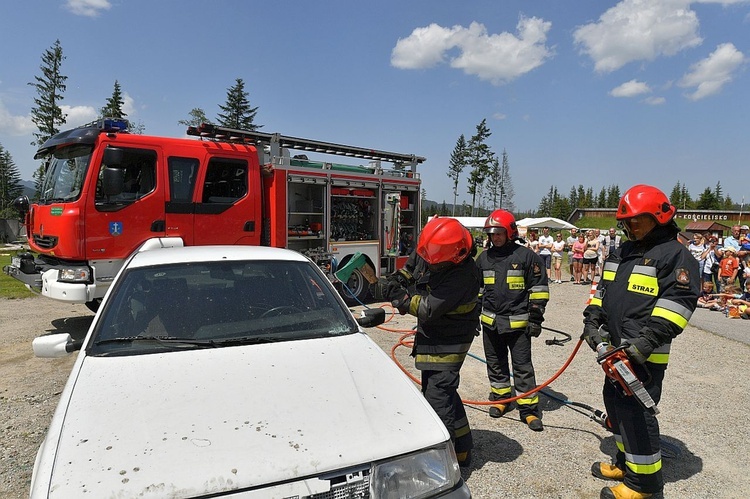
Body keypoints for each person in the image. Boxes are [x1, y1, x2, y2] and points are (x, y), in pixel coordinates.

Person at [582, 184, 700, 499]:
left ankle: (644, 485)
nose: (632, 226)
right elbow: (602, 292)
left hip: (643, 357)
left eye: (639, 220)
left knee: (635, 413)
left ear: (660, 217)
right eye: (627, 221)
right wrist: (592, 320)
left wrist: (643, 346)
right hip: (614, 353)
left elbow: (677, 308)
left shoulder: (676, 256)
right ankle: (625, 462)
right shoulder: (621, 252)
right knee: (615, 406)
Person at [389, 216, 481, 467]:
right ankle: (463, 448)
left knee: (437, 398)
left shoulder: (464, 274)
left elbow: (429, 308)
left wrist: (402, 299)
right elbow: (415, 265)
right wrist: (400, 279)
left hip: (450, 343)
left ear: (457, 254)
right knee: (445, 393)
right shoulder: (436, 250)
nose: (430, 261)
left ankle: (442, 463)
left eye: (434, 258)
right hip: (435, 337)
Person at [476, 209, 549, 432]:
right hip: (491, 324)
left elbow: (539, 290)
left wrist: (535, 319)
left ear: (510, 233)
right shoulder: (483, 259)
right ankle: (501, 398)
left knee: (522, 367)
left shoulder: (527, 257)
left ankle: (528, 409)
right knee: (495, 363)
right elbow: (477, 291)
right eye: (491, 234)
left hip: (518, 326)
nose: (494, 238)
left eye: (498, 233)